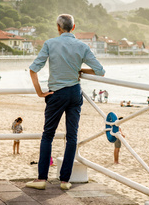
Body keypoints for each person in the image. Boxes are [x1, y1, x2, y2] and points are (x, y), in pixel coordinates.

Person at [26, 14, 105, 191]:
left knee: (48, 135)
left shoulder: (50, 44)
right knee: (72, 137)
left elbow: (33, 69)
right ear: (74, 27)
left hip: (56, 94)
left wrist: (40, 92)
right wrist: (80, 69)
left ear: (58, 27)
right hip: (74, 94)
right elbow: (100, 71)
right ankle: (65, 181)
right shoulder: (82, 46)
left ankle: (41, 179)